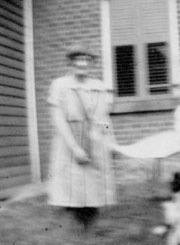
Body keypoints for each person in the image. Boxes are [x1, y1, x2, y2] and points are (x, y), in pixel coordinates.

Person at [47, 43, 117, 236]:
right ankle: (73, 224)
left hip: (95, 139)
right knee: (73, 184)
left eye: (86, 60)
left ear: (91, 63)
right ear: (70, 62)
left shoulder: (99, 87)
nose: (82, 64)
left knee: (94, 184)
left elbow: (104, 118)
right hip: (69, 138)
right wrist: (74, 147)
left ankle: (90, 225)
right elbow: (58, 118)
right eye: (78, 59)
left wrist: (110, 141)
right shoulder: (60, 85)